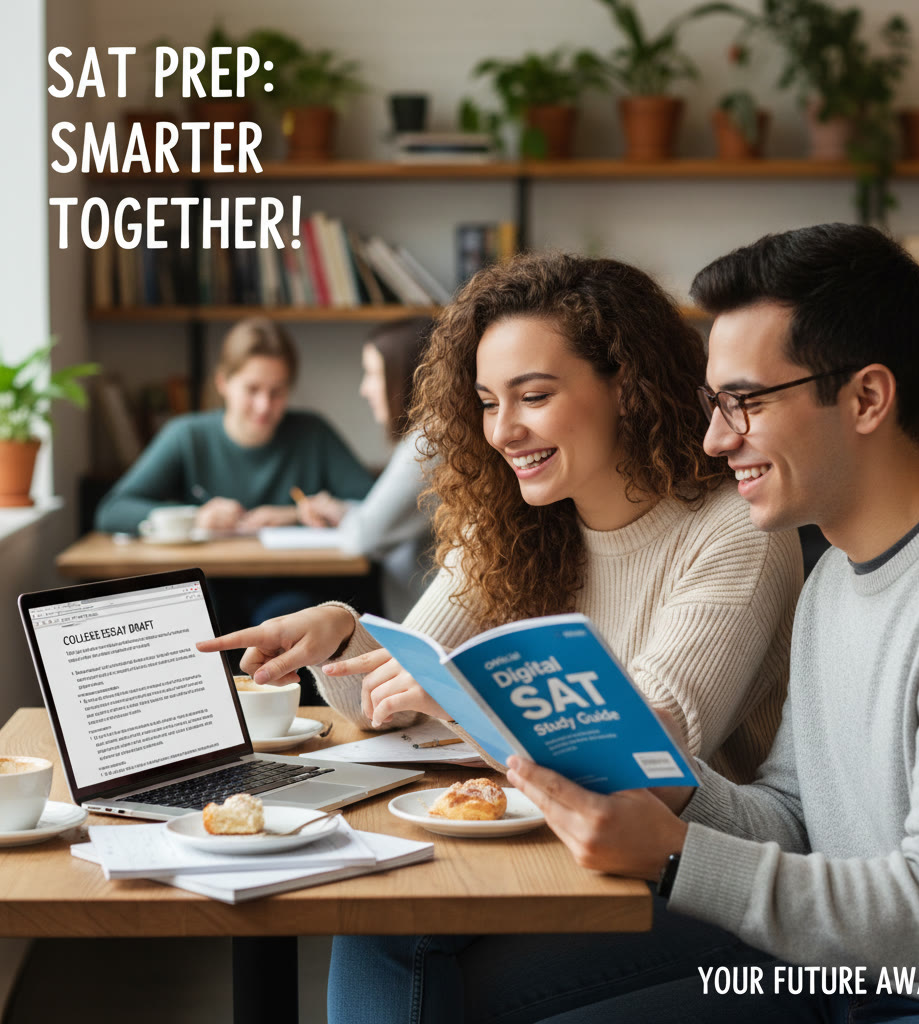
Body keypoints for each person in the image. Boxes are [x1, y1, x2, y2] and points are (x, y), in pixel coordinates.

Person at [197, 252, 805, 1023]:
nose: (504, 430)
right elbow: (380, 703)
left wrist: (462, 698)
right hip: (560, 842)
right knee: (385, 924)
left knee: (415, 956)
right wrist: (340, 634)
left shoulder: (733, 532)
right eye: (487, 402)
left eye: (535, 396)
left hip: (699, 870)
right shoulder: (514, 523)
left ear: (627, 384)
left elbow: (648, 749)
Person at [500, 223, 919, 1024]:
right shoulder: (833, 579)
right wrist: (672, 785)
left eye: (744, 402)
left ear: (867, 398)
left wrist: (678, 855)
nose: (716, 439)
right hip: (834, 976)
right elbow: (794, 818)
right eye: (715, 404)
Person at [97, 317, 377, 699]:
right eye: (252, 389)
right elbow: (113, 509)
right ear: (223, 383)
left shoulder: (312, 433)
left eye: (277, 392)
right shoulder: (187, 436)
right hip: (206, 593)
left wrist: (296, 514)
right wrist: (195, 517)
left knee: (290, 623)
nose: (264, 406)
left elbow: (374, 506)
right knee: (189, 629)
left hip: (291, 591)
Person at [293, 317, 437, 620]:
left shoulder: (428, 444)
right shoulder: (432, 437)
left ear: (406, 376)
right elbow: (388, 518)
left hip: (430, 623)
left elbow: (362, 538)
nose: (364, 389)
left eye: (373, 374)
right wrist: (344, 511)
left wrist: (349, 519)